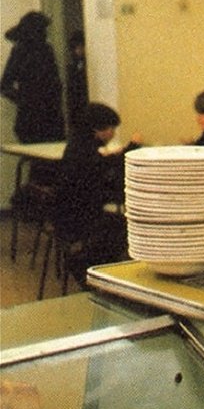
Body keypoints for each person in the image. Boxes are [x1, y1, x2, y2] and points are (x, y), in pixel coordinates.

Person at [56, 102, 142, 286]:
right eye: (111, 128)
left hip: (67, 213)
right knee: (127, 228)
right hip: (80, 218)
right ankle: (96, 274)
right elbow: (101, 169)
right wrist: (131, 147)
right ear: (99, 129)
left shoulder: (78, 144)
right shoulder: (86, 150)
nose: (112, 133)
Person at [1, 11, 65, 143]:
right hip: (34, 118)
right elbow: (4, 85)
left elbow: (55, 82)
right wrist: (26, 99)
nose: (45, 33)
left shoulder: (46, 50)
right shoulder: (21, 51)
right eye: (42, 29)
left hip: (49, 115)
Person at [65, 30, 89, 135]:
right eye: (75, 47)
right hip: (75, 103)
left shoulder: (86, 64)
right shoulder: (73, 65)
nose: (78, 50)